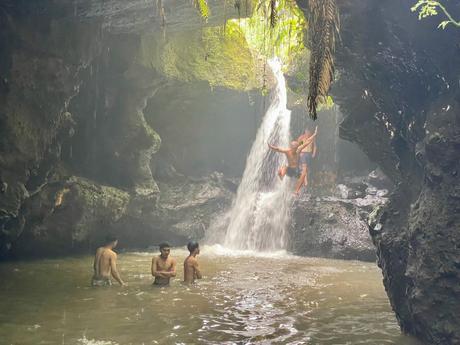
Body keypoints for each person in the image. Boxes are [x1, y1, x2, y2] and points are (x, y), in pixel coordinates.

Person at [295, 126, 318, 195]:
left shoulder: (312, 138)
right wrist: (300, 153)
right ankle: (305, 181)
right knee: (304, 167)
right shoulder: (302, 137)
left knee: (306, 168)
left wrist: (314, 153)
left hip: (309, 154)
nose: (308, 133)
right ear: (305, 131)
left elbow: (315, 146)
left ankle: (305, 179)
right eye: (307, 132)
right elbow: (299, 145)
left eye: (309, 132)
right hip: (303, 154)